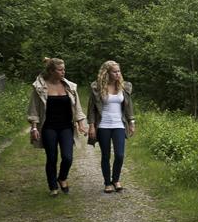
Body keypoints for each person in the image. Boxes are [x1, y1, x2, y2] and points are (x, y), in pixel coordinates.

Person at [26, 57, 87, 197]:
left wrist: (80, 123)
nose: (63, 72)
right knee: (52, 157)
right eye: (60, 70)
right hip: (49, 127)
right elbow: (34, 109)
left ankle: (62, 177)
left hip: (66, 127)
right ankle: (53, 186)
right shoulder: (40, 88)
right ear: (51, 71)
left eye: (64, 69)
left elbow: (77, 106)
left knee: (67, 157)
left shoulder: (69, 86)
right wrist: (34, 128)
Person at [87, 60, 135, 193]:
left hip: (119, 125)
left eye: (119, 71)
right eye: (114, 72)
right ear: (106, 73)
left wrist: (131, 122)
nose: (118, 74)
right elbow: (91, 109)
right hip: (103, 125)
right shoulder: (97, 88)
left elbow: (129, 106)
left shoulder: (124, 87)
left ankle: (116, 179)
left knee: (120, 154)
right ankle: (107, 182)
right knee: (105, 155)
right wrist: (91, 126)